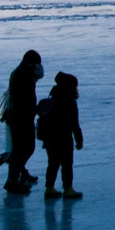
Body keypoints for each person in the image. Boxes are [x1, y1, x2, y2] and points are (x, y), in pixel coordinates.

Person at [0, 50, 43, 193]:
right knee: (24, 149)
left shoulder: (21, 73)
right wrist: (33, 110)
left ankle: (13, 179)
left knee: (21, 150)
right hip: (21, 119)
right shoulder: (23, 75)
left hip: (20, 118)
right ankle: (12, 181)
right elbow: (23, 99)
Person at [38, 71, 84, 200]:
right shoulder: (70, 102)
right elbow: (74, 123)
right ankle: (68, 188)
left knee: (53, 163)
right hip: (64, 138)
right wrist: (79, 140)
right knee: (67, 164)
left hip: (49, 138)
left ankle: (49, 188)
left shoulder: (52, 100)